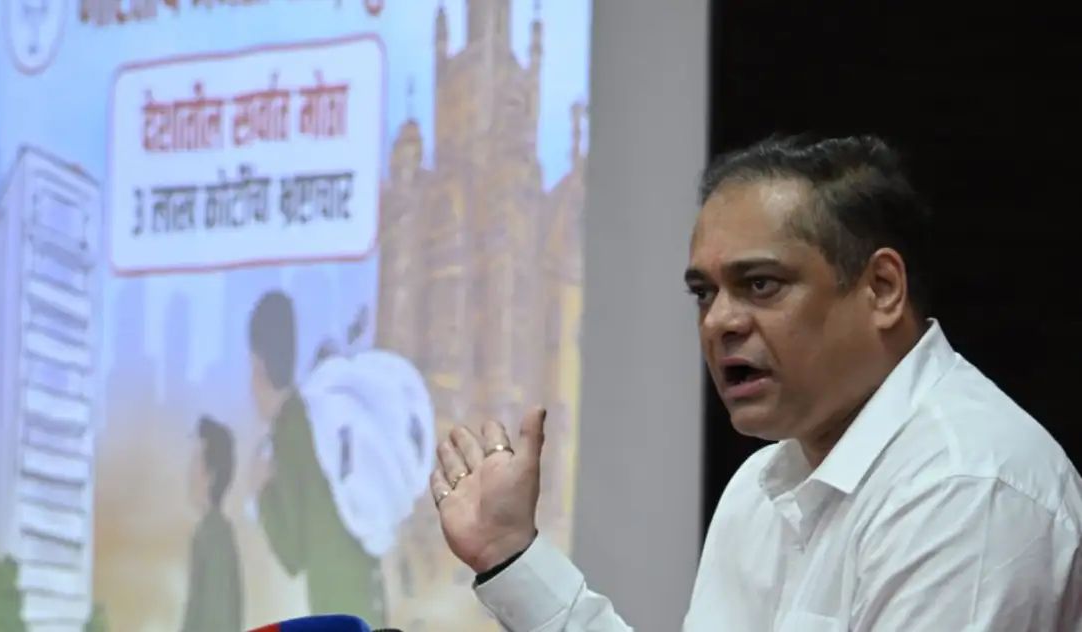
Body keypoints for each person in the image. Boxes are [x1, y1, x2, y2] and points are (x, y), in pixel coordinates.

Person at [430, 135, 1082, 631]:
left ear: (882, 289)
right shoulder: (762, 483)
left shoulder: (965, 486)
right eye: (703, 293)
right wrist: (510, 554)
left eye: (760, 285)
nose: (719, 321)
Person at [247, 291, 384, 625]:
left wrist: (262, 492)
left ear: (260, 367)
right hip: (362, 592)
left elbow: (293, 554)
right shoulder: (311, 415)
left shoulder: (289, 431)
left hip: (338, 601)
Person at [180, 415, 243, 632]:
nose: (188, 472)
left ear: (211, 476)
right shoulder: (209, 533)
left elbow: (217, 621)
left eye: (195, 461)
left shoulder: (215, 537)